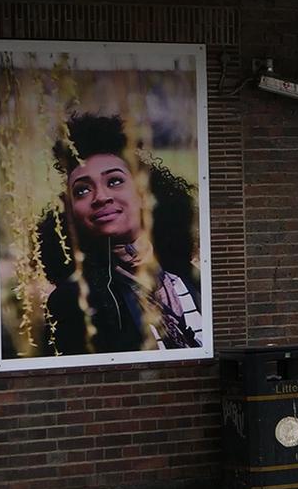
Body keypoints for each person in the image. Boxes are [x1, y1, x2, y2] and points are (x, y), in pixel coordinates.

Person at [37, 112, 203, 356]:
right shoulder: (74, 301)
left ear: (144, 194)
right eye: (82, 190)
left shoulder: (188, 279)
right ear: (70, 213)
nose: (101, 197)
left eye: (114, 181)